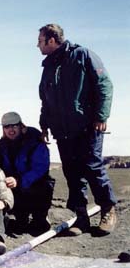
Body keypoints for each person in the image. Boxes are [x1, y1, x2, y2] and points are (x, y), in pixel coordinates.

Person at [37, 23, 117, 236]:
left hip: (87, 126)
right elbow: (45, 99)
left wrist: (101, 115)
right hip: (62, 130)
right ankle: (80, 217)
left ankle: (108, 210)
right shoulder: (48, 67)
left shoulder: (83, 55)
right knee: (72, 172)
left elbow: (104, 85)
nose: (38, 45)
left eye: (40, 41)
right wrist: (44, 124)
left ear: (51, 40)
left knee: (93, 167)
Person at [0, 112, 55, 235]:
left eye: (14, 126)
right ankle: (20, 218)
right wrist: (1, 180)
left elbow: (40, 168)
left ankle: (40, 218)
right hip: (13, 187)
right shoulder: (0, 146)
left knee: (44, 186)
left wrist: (19, 180)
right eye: (7, 127)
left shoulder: (35, 141)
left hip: (33, 185)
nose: (11, 130)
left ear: (21, 126)